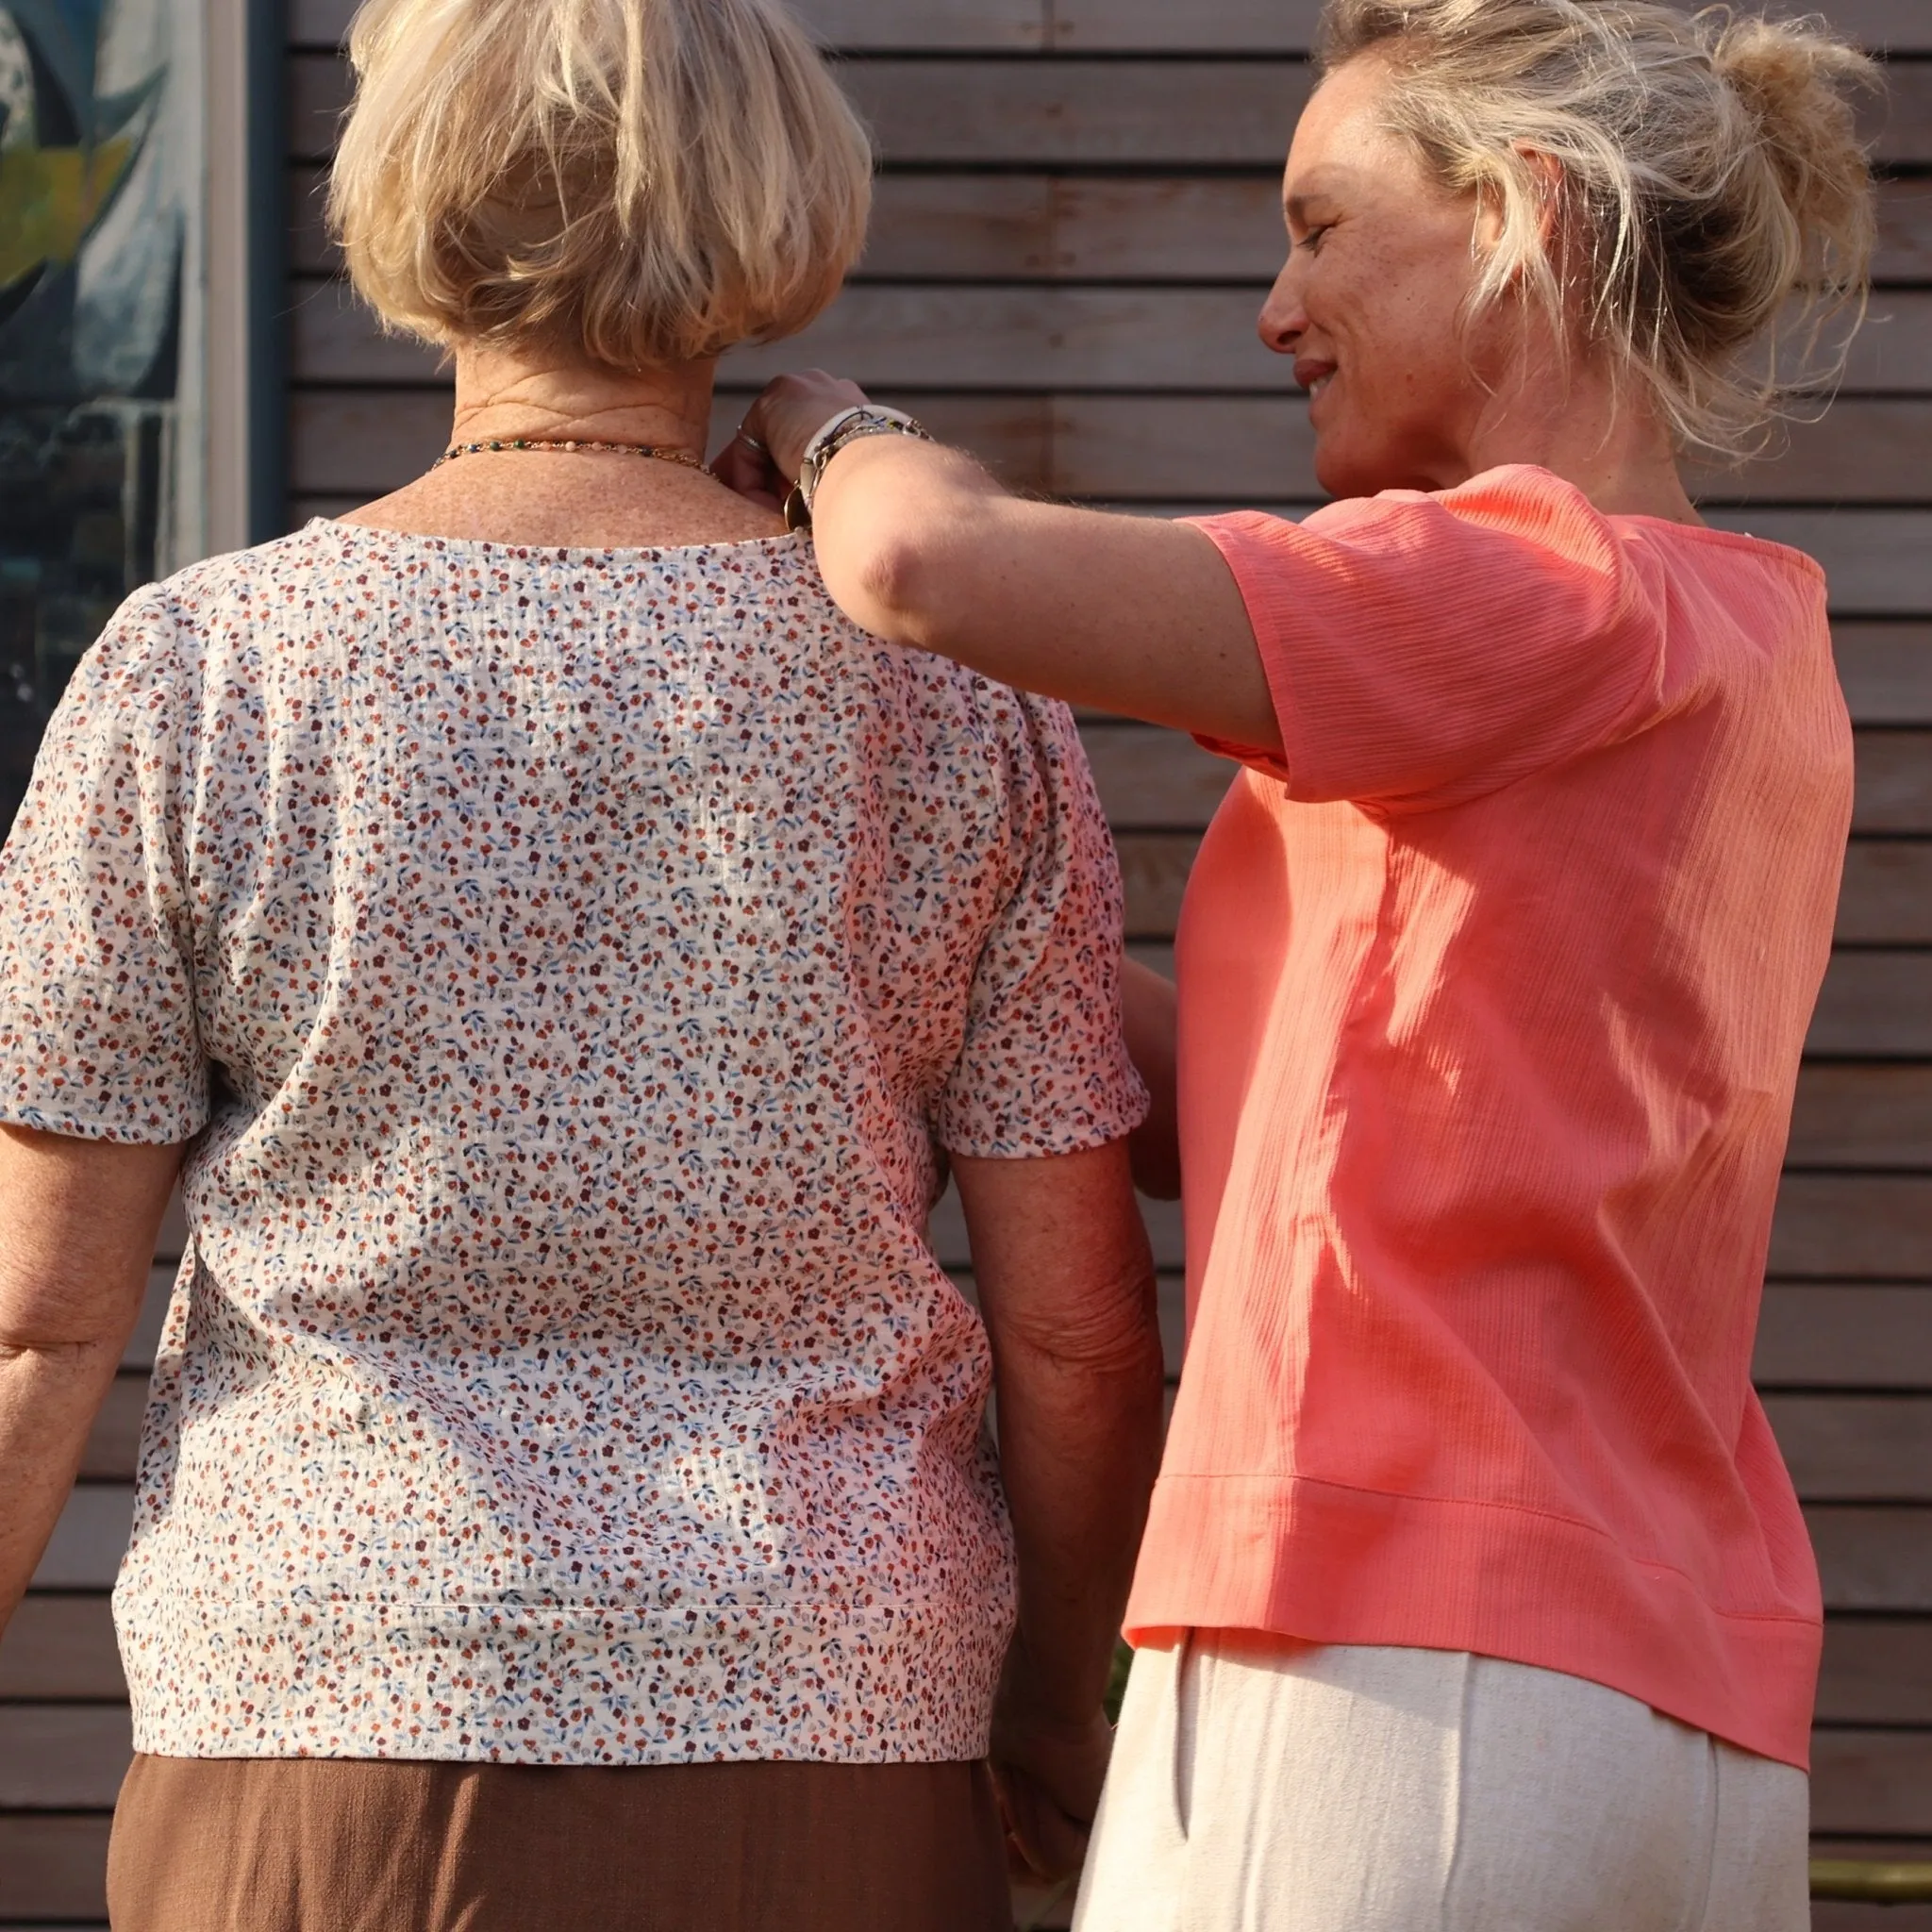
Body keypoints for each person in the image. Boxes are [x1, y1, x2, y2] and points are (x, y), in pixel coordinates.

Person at [0, 0, 1166, 1925]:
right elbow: (1077, 1335)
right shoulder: (956, 711)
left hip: (319, 1727)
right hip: (831, 1727)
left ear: (405, 196)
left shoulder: (200, 677)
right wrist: (1054, 1706)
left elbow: (36, 1325)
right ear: (773, 202)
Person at [722, 0, 1879, 1924]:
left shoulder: (1521, 579)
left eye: (1321, 226)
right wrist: (953, 954)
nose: (1276, 304)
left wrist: (818, 422)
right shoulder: (1754, 645)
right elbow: (1298, 1105)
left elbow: (926, 565)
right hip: (1685, 1722)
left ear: (1526, 218)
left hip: (1391, 1672)